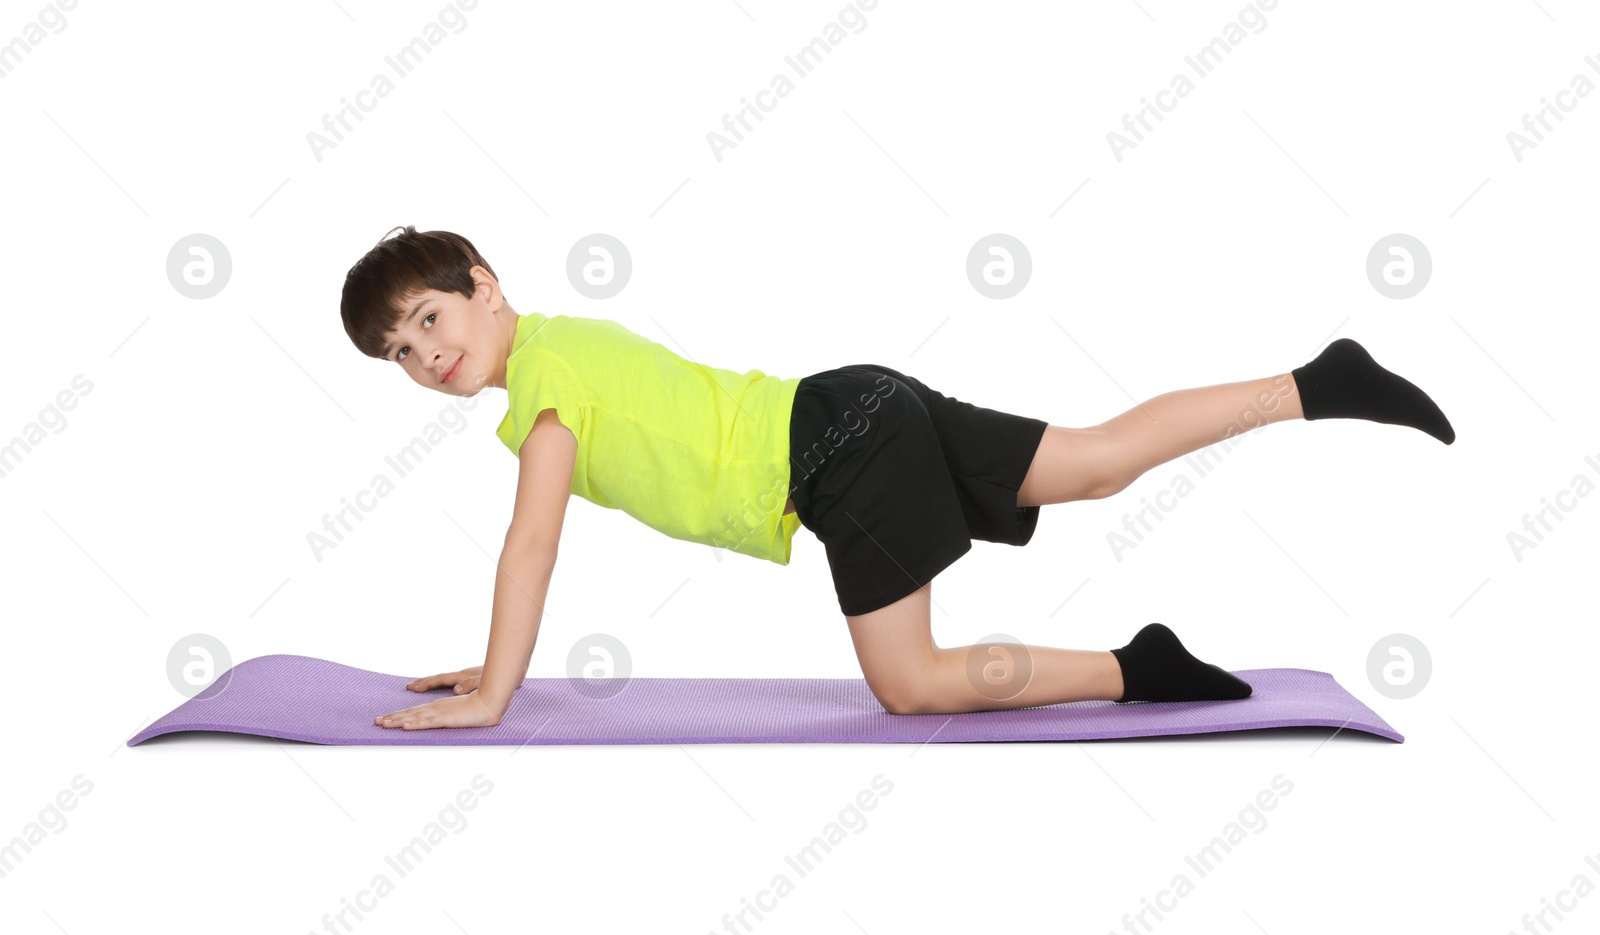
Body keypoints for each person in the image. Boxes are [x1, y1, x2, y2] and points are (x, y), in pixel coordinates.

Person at [341, 226, 1455, 730]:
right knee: (1097, 459)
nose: (426, 354)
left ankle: (1131, 668)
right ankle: (1311, 384)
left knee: (909, 684)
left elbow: (530, 541)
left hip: (832, 453)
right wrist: (492, 665)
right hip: (851, 401)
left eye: (429, 318)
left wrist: (498, 690)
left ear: (485, 284)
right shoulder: (559, 350)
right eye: (400, 351)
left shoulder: (545, 380)